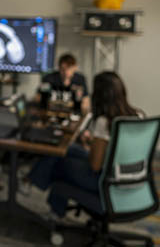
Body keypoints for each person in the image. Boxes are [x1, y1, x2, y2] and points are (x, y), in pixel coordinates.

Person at [26, 71, 142, 219]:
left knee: (60, 162)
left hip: (105, 182)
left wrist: (92, 145)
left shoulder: (104, 122)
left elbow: (95, 165)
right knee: (67, 148)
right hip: (128, 177)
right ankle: (33, 181)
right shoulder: (138, 115)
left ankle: (51, 208)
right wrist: (94, 143)